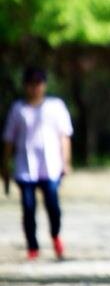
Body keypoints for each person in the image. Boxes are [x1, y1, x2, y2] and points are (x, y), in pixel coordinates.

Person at [1, 66, 74, 260]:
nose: (35, 88)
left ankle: (55, 235)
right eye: (31, 84)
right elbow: (9, 139)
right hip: (25, 167)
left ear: (44, 85)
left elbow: (64, 135)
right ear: (25, 86)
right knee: (28, 207)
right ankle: (32, 245)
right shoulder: (18, 109)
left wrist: (66, 161)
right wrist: (5, 165)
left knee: (53, 205)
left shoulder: (55, 106)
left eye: (38, 84)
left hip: (50, 166)